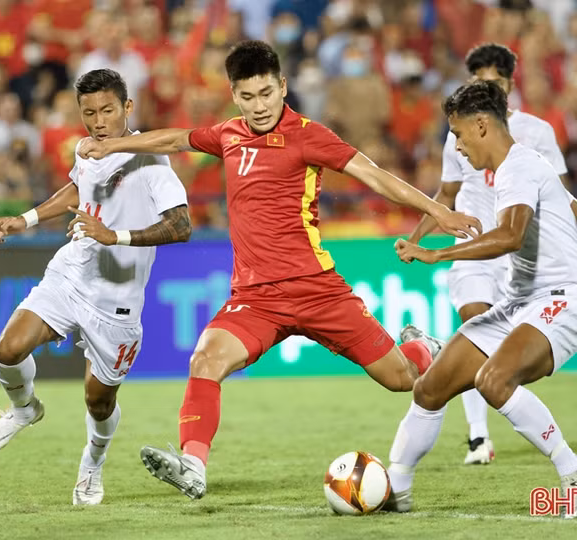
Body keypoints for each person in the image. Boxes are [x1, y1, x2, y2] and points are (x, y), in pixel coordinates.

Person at [78, 40, 481, 500]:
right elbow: (174, 138)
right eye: (248, 97)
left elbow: (373, 175)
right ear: (234, 95)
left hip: (317, 290)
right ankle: (192, 466)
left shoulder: (309, 135)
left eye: (267, 94)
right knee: (204, 360)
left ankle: (420, 350)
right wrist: (115, 144)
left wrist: (438, 212)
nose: (259, 106)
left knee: (402, 381)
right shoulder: (229, 134)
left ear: (283, 86)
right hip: (257, 298)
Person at [0, 69, 191, 506]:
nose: (98, 121)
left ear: (127, 109)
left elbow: (182, 225)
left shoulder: (151, 161)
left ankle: (92, 464)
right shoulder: (87, 149)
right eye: (89, 112)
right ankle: (24, 409)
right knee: (8, 349)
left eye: (107, 110)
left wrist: (116, 236)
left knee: (98, 401)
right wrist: (27, 219)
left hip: (118, 303)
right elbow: (78, 187)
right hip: (72, 273)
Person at [385, 80, 577, 518]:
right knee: (430, 388)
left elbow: (509, 236)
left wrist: (436, 253)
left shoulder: (519, 167)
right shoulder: (520, 168)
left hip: (557, 300)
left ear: (482, 125)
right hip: (522, 303)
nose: (459, 147)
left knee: (493, 381)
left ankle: (574, 468)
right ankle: (396, 489)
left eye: (459, 135)